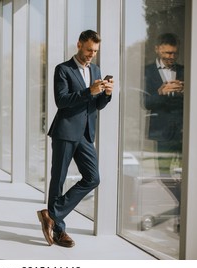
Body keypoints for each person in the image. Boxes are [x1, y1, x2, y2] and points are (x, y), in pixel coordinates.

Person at [37, 30, 114, 247]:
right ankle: (59, 231)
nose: (92, 54)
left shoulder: (96, 69)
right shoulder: (62, 69)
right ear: (79, 44)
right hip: (65, 132)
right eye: (89, 49)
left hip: (86, 134)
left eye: (95, 51)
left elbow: (96, 105)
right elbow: (61, 101)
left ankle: (51, 214)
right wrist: (89, 91)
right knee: (58, 181)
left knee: (93, 178)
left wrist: (106, 94)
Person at [143, 33, 184, 216]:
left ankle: (184, 211)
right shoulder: (146, 71)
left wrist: (186, 91)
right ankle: (183, 205)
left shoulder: (186, 70)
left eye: (174, 53)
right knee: (163, 174)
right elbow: (145, 103)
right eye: (167, 53)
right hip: (161, 132)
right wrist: (160, 92)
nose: (171, 57)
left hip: (185, 131)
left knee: (188, 173)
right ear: (157, 49)